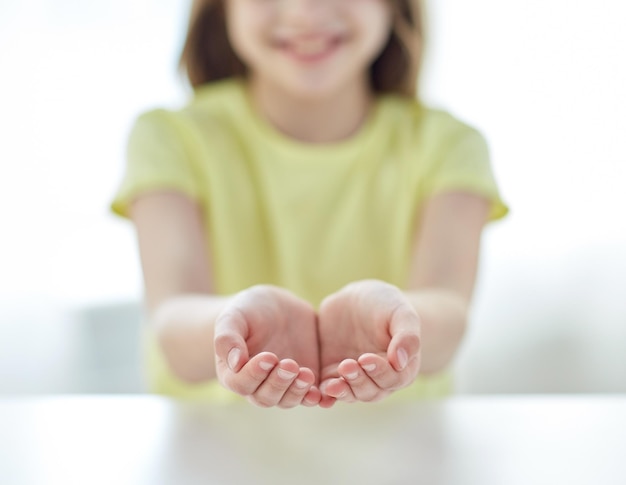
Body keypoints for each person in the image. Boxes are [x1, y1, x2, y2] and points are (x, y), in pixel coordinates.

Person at [111, 0, 508, 409]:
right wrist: (236, 326)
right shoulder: (170, 139)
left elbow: (448, 310)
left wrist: (397, 322)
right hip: (217, 455)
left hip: (400, 453)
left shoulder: (447, 145)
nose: (305, 12)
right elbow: (173, 320)